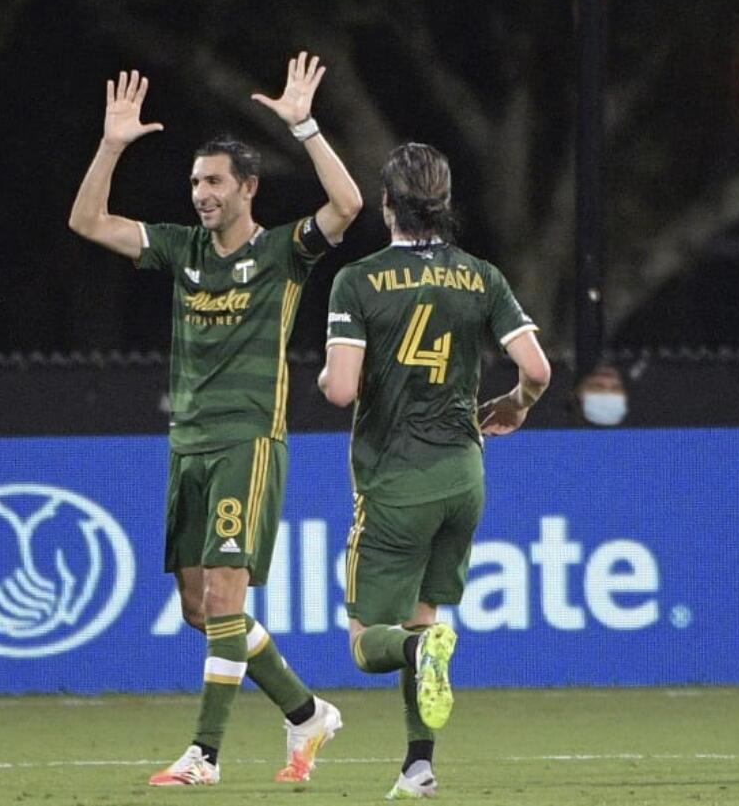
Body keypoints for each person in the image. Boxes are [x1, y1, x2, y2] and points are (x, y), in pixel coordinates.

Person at [69, 52, 362, 786]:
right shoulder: (181, 248)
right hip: (188, 443)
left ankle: (205, 753)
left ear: (247, 188)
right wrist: (111, 144)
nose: (200, 194)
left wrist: (307, 127)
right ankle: (306, 712)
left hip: (247, 441)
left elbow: (349, 206)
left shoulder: (284, 253)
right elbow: (86, 220)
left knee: (228, 599)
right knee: (202, 609)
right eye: (195, 182)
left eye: (213, 182)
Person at [319, 143, 550, 799]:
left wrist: (324, 370)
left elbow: (340, 390)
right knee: (423, 614)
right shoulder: (481, 276)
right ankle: (419, 766)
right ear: (444, 205)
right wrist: (517, 404)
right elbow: (536, 369)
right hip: (463, 475)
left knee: (368, 643)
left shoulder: (357, 280)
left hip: (396, 478)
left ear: (387, 203)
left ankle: (422, 656)